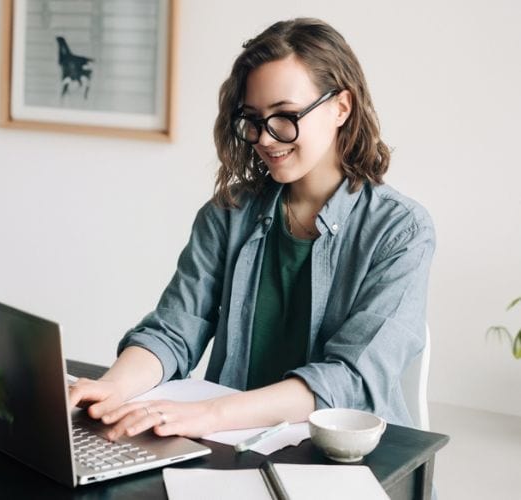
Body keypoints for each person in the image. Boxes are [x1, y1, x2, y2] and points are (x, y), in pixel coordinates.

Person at [69, 18, 435, 441]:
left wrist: (208, 414)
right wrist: (111, 387)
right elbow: (174, 330)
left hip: (345, 456)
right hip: (234, 444)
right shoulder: (228, 213)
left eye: (285, 116)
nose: (265, 138)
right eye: (253, 119)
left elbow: (351, 378)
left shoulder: (401, 230)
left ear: (341, 107)